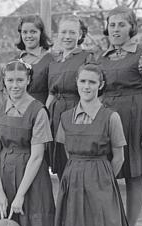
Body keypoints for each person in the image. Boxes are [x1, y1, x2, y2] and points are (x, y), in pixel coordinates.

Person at [53, 63, 141, 226]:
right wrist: (78, 170)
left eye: (92, 82)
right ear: (76, 83)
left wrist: (103, 178)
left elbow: (119, 157)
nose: (87, 86)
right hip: (73, 175)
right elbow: (67, 150)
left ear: (100, 85)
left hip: (100, 176)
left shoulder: (111, 117)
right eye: (83, 81)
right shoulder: (66, 117)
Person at [98, 6, 142, 226]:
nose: (116, 29)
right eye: (112, 24)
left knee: (134, 176)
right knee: (108, 173)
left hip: (137, 123)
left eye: (121, 24)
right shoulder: (102, 58)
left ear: (131, 28)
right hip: (110, 125)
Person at [0, 59, 55, 226]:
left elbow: (37, 156)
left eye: (20, 80)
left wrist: (19, 196)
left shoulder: (38, 111)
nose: (15, 85)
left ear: (28, 81)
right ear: (4, 81)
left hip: (30, 176)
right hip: (5, 171)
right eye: (10, 80)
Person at [46, 15, 94, 179]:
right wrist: (45, 117)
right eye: (64, 32)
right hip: (56, 114)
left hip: (76, 111)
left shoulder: (86, 57)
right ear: (58, 34)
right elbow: (51, 93)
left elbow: (91, 90)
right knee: (60, 165)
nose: (67, 36)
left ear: (80, 35)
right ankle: (63, 203)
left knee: (76, 162)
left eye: (72, 32)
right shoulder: (54, 62)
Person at [15, 15, 54, 104]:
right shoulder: (15, 60)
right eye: (25, 32)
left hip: (40, 110)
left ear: (41, 33)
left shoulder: (50, 60)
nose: (29, 36)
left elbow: (53, 93)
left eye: (33, 32)